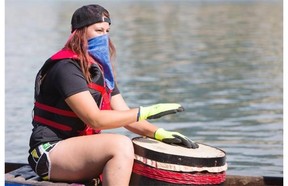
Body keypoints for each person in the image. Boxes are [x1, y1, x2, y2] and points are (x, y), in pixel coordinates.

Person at [28, 4, 198, 186]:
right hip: (48, 153)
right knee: (120, 144)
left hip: (75, 151)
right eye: (98, 30)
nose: (104, 37)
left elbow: (126, 115)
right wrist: (145, 111)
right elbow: (95, 119)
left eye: (107, 31)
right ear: (79, 32)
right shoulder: (66, 68)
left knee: (138, 147)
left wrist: (158, 133)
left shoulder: (99, 73)